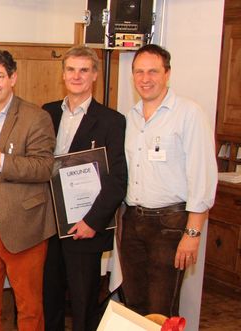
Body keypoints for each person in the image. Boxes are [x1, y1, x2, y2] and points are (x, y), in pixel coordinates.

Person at [120, 44, 217, 317]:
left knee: (161, 308)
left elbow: (203, 176)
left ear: (167, 74)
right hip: (132, 222)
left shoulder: (189, 113)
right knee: (135, 304)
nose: (145, 78)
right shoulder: (131, 117)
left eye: (153, 71)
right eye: (139, 72)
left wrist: (193, 234)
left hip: (170, 225)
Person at [0, 49, 56, 331]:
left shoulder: (35, 117)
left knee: (28, 307)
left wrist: (2, 161)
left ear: (13, 78)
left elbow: (44, 167)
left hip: (23, 226)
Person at [40, 46, 128, 331]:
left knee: (83, 302)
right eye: (71, 69)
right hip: (49, 225)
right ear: (63, 73)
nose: (76, 76)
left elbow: (117, 180)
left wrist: (92, 221)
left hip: (86, 226)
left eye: (84, 70)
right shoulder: (48, 112)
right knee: (48, 298)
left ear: (95, 76)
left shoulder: (112, 121)